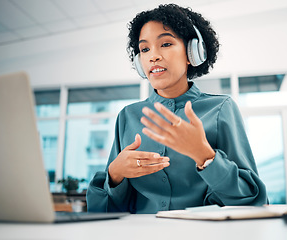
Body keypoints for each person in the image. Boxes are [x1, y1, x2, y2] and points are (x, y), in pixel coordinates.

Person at [86, 4, 268, 214]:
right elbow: (103, 212)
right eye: (144, 49)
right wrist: (115, 174)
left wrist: (205, 156)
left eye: (165, 44)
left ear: (192, 52)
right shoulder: (128, 116)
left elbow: (253, 201)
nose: (153, 56)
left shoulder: (220, 109)